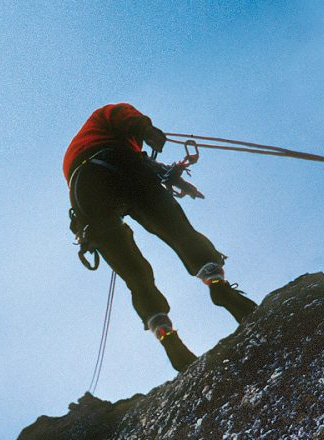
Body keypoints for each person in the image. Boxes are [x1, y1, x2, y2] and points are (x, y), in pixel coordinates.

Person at [64, 103, 257, 372]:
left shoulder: (87, 143)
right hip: (117, 164)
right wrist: (146, 128)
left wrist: (177, 181)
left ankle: (164, 332)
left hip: (83, 192)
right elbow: (121, 118)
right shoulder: (108, 117)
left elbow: (145, 164)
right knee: (175, 229)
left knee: (134, 272)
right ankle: (218, 285)